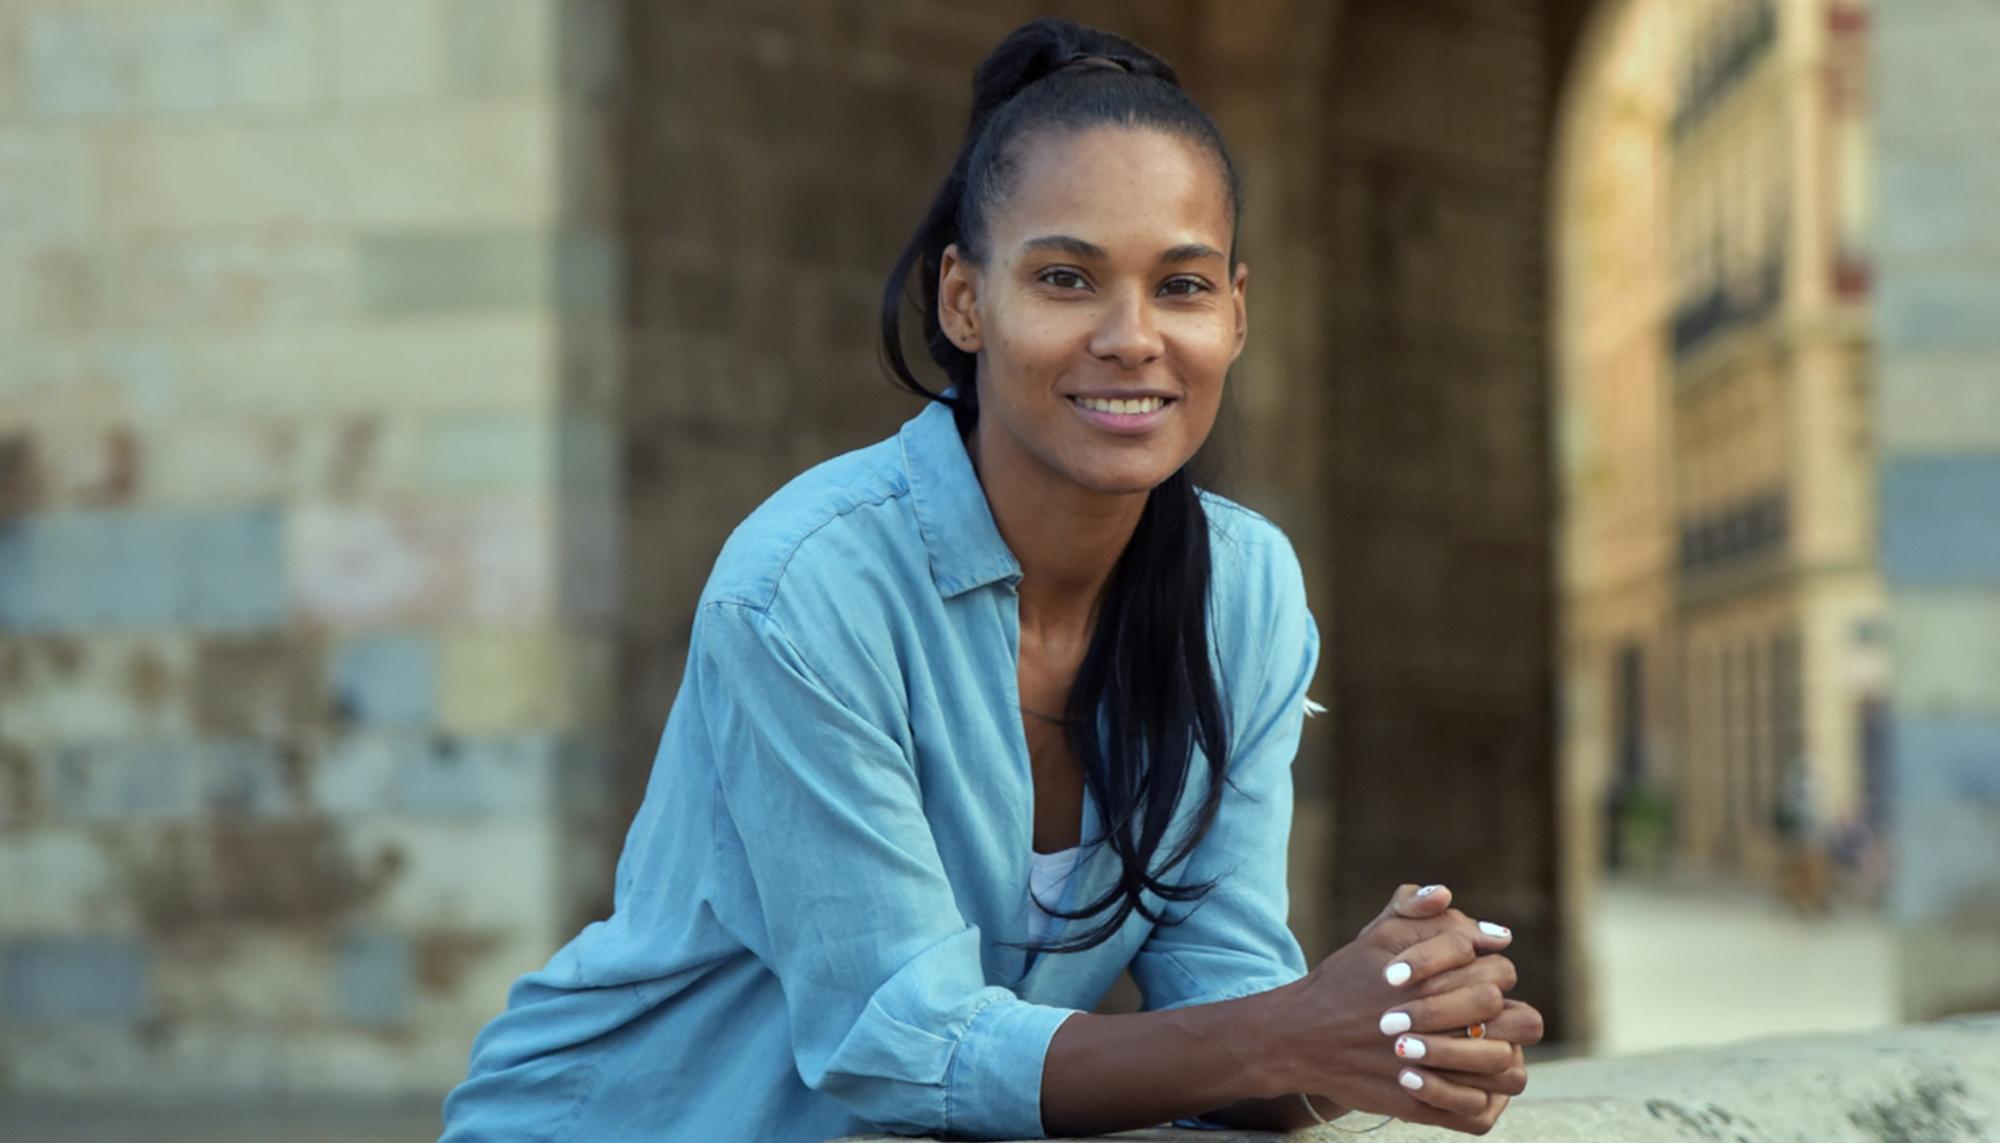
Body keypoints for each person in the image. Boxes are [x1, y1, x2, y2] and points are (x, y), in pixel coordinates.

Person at [440, 18, 1541, 1141]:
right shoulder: (807, 587)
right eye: (1065, 278)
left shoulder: (1242, 591)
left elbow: (1219, 993)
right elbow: (899, 1041)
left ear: (1236, 311)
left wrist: (1394, 1020)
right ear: (963, 301)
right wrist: (1290, 1030)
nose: (1131, 337)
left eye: (1181, 286)